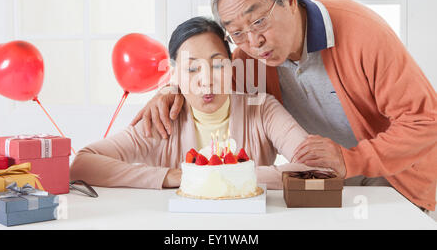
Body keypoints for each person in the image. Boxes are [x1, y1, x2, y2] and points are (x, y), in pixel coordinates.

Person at [130, 0, 437, 211]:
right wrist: (170, 90)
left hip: (399, 182)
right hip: (329, 182)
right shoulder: (249, 57)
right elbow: (209, 80)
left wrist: (352, 159)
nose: (253, 41)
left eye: (259, 21)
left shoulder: (361, 33)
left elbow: (426, 120)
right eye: (236, 32)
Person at [69, 17, 322, 189]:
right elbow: (83, 164)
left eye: (217, 64)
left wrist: (220, 177)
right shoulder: (162, 119)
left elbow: (316, 170)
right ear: (174, 75)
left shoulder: (262, 108)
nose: (206, 80)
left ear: (232, 67)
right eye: (192, 69)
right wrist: (171, 177)